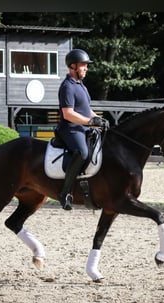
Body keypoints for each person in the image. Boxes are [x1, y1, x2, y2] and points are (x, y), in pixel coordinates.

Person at [56, 48, 109, 210]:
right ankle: (65, 192)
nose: (86, 68)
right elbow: (68, 114)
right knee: (82, 152)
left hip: (82, 127)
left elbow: (86, 110)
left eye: (87, 65)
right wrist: (90, 121)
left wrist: (98, 119)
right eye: (83, 65)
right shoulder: (67, 87)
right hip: (70, 129)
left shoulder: (81, 86)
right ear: (73, 66)